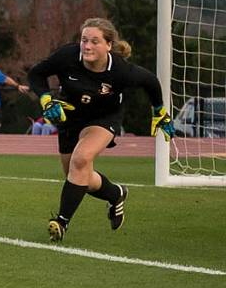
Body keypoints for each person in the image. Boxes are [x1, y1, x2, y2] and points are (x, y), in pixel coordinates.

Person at [27, 17, 174, 242]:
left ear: (108, 45)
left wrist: (159, 111)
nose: (87, 46)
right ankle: (116, 194)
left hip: (104, 118)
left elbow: (151, 82)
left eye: (95, 41)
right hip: (70, 117)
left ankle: (61, 222)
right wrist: (46, 99)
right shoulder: (67, 56)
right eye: (84, 40)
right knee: (77, 175)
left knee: (81, 159)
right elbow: (36, 74)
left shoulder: (120, 70)